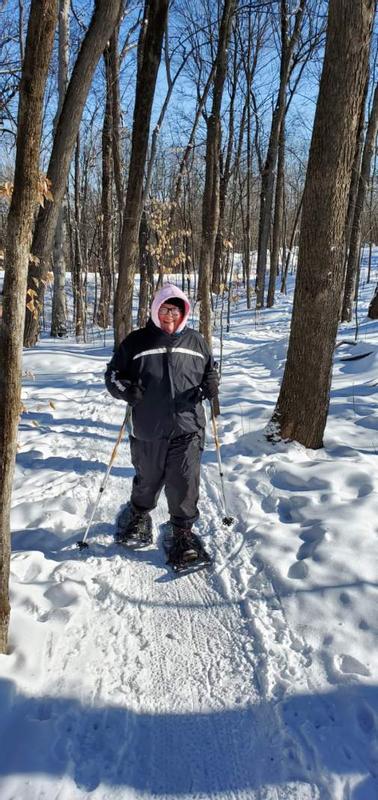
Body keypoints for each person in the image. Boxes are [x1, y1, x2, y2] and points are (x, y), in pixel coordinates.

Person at [105, 283, 219, 566]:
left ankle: (182, 533)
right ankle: (138, 514)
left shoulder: (196, 342)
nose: (171, 315)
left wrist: (211, 384)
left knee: (184, 481)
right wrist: (125, 390)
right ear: (156, 310)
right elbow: (113, 375)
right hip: (148, 428)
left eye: (177, 310)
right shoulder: (136, 342)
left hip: (188, 426)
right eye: (166, 309)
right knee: (148, 480)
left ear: (184, 312)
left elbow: (210, 371)